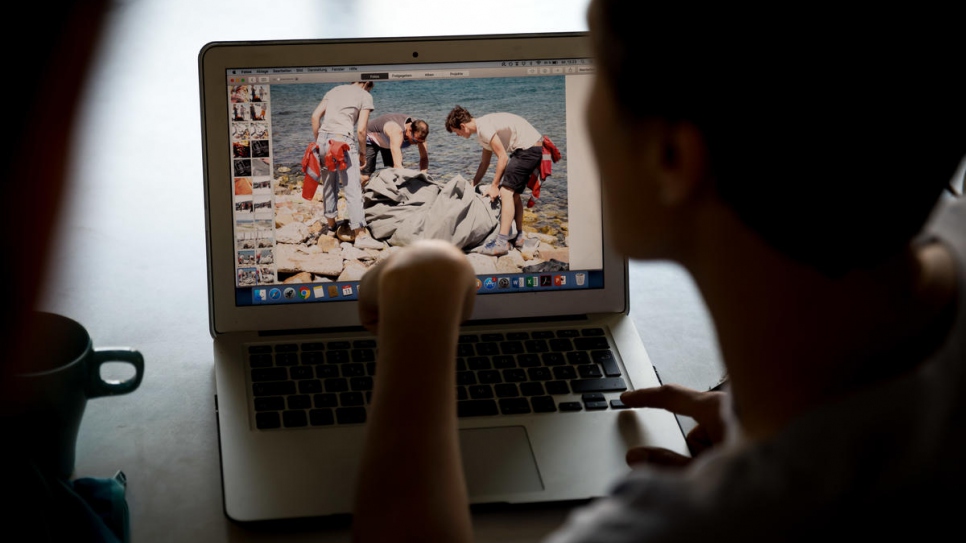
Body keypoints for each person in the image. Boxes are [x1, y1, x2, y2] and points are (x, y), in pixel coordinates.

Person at [351, 2, 966, 542]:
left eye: (598, 67)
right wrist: (758, 421)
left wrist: (417, 329)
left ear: (672, 159)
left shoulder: (698, 524)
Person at [445, 105, 544, 256]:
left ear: (463, 126)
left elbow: (503, 158)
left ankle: (501, 243)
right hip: (530, 148)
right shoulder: (482, 131)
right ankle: (519, 237)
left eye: (456, 132)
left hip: (528, 149)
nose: (457, 135)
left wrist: (495, 186)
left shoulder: (484, 128)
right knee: (514, 195)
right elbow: (484, 163)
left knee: (505, 192)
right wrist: (473, 184)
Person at [310, 80, 374, 241]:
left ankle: (331, 226)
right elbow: (361, 130)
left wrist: (319, 143)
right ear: (367, 83)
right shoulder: (365, 95)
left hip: (323, 139)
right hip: (342, 140)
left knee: (328, 185)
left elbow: (315, 116)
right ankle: (360, 235)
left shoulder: (335, 90)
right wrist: (363, 154)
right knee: (352, 187)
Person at [360, 113, 430, 183]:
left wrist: (423, 176)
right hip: (371, 138)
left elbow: (424, 158)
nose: (416, 144)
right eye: (415, 141)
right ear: (410, 130)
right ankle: (356, 191)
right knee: (365, 177)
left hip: (389, 142)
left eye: (419, 142)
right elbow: (398, 166)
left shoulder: (420, 133)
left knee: (394, 174)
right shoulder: (397, 132)